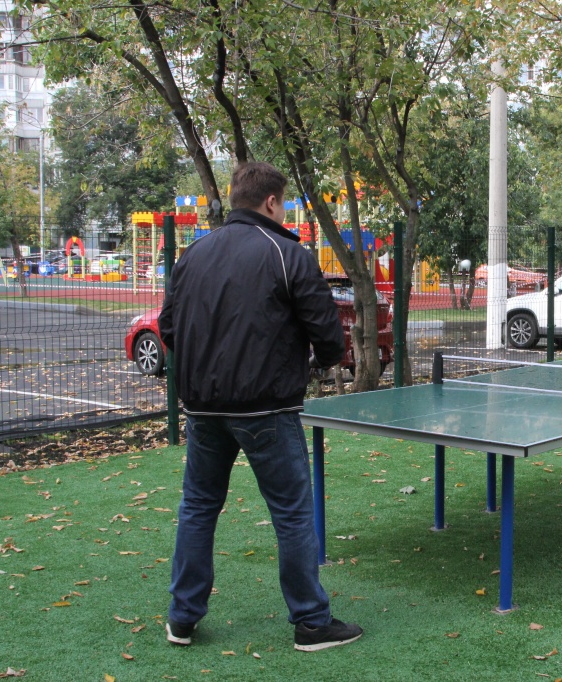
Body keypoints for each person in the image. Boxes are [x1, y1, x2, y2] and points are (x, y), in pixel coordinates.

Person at [158, 162, 363, 651]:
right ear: (272, 201)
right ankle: (311, 622)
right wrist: (313, 364)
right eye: (285, 201)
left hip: (202, 409)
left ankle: (182, 618)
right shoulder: (288, 254)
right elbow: (329, 338)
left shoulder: (194, 254)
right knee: (292, 513)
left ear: (234, 197)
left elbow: (168, 328)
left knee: (199, 509)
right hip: (267, 409)